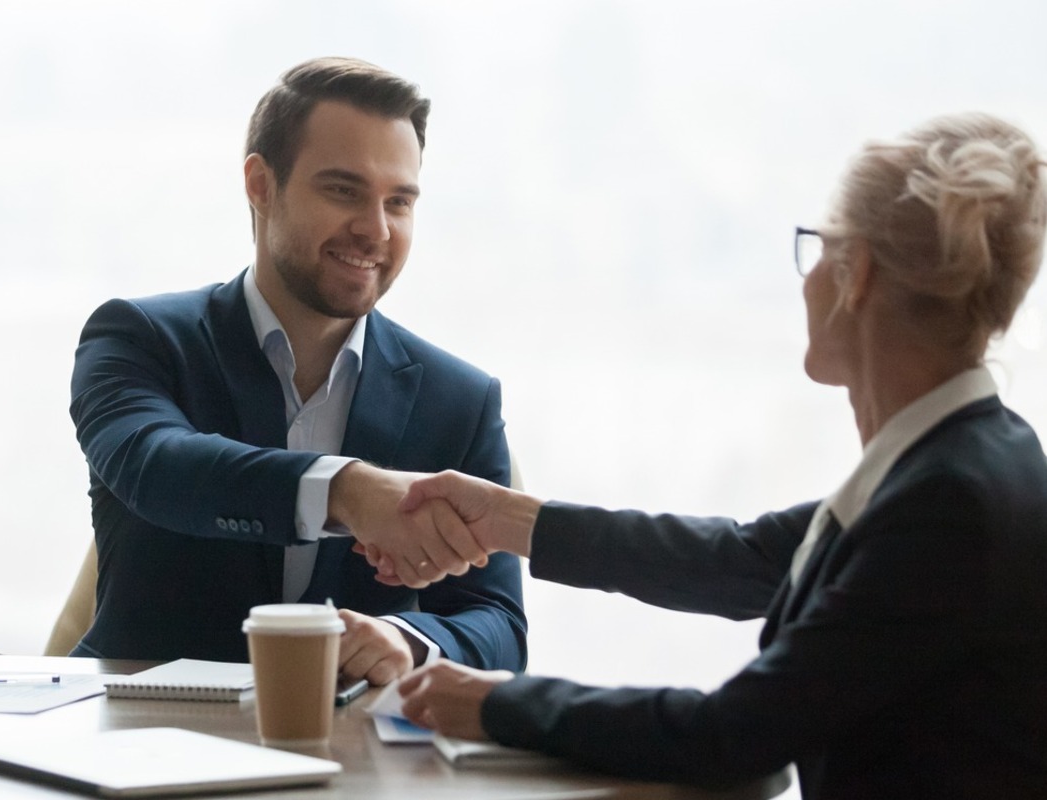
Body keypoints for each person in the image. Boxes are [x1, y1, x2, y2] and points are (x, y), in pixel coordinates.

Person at [393, 113, 1047, 797]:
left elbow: (733, 733)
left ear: (857, 277)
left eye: (819, 248)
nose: (808, 278)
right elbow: (744, 559)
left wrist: (497, 704)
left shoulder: (949, 505)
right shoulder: (972, 457)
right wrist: (509, 521)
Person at [68, 57, 527, 685]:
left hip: (353, 764)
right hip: (137, 739)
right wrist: (348, 491)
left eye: (399, 201)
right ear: (260, 184)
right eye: (343, 190)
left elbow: (497, 623)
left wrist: (409, 639)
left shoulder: (461, 399)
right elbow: (156, 464)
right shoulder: (139, 337)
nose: (375, 229)